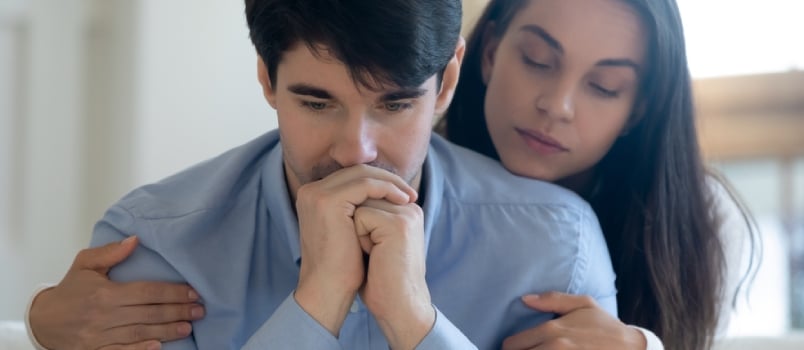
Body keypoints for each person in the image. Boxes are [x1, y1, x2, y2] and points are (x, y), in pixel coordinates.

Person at [26, 0, 618, 349]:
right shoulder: (158, 242)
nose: (355, 153)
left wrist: (415, 321)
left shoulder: (555, 244)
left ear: (448, 82)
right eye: (316, 103)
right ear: (266, 78)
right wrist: (318, 299)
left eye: (393, 105)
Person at [437, 0, 758, 349]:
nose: (558, 105)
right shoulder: (412, 172)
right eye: (537, 60)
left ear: (636, 111)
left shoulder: (701, 223)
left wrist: (644, 345)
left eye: (604, 86)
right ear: (490, 53)